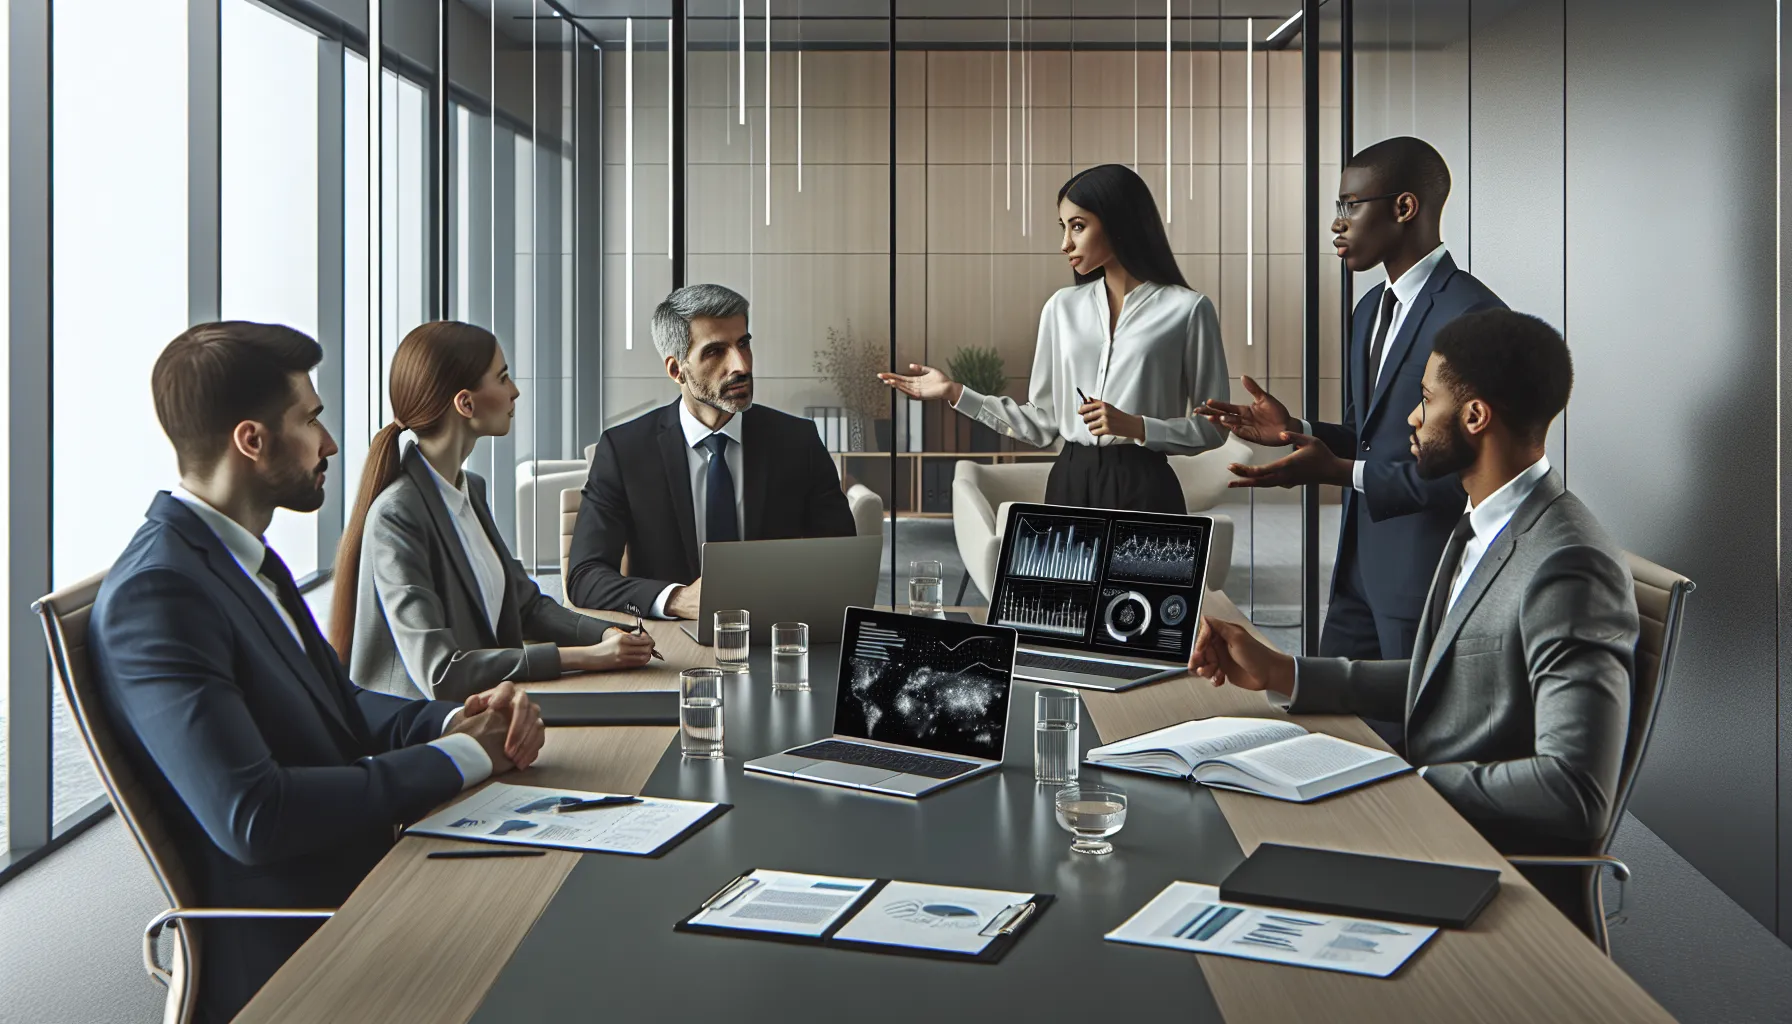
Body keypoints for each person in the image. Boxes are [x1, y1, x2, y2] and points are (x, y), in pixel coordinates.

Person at [88, 322, 546, 1024]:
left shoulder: (244, 559)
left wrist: (459, 719)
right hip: (312, 946)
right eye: (310, 419)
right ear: (252, 440)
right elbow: (256, 816)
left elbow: (341, 704)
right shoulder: (159, 593)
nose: (330, 443)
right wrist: (463, 757)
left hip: (375, 884)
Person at [1190, 309, 1635, 932]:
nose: (1412, 418)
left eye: (1426, 399)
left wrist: (1410, 782)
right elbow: (1446, 680)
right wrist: (1284, 672)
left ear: (1475, 416)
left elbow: (1574, 791)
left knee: (1229, 878)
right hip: (1426, 833)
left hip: (1481, 873)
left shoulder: (1568, 565)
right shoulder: (1483, 522)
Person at [1199, 138, 1506, 674]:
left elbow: (1466, 475)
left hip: (1421, 577)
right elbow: (1369, 436)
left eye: (1350, 205)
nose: (1336, 224)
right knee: (1326, 713)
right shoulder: (1368, 310)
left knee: (1406, 724)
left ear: (1404, 207)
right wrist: (1294, 429)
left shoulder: (1472, 315)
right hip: (1354, 573)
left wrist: (1338, 472)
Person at [328, 321, 656, 700]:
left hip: (491, 707)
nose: (514, 391)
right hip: (426, 726)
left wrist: (606, 634)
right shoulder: (397, 515)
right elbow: (441, 672)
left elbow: (526, 606)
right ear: (465, 403)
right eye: (502, 378)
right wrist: (588, 657)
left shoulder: (470, 490)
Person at [880, 163, 1229, 514]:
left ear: (1119, 220)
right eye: (1063, 228)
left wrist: (1138, 427)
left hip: (1146, 487)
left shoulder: (1188, 310)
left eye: (1077, 226)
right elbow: (1042, 423)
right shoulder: (1061, 308)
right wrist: (955, 392)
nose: (1065, 244)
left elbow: (1213, 429)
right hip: (1069, 483)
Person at [566, 283, 857, 616]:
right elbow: (585, 577)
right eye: (715, 351)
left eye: (743, 344)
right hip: (669, 637)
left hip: (774, 629)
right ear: (676, 370)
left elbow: (843, 559)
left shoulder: (797, 441)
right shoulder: (625, 451)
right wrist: (676, 599)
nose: (741, 366)